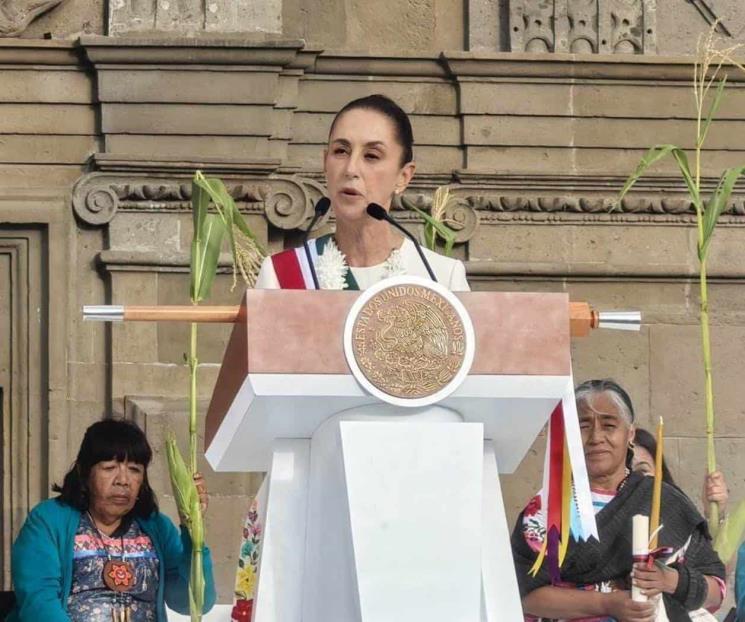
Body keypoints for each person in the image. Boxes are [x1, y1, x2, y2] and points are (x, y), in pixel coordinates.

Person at [231, 93, 470, 622]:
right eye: (340, 151)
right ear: (324, 162)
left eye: (371, 155)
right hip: (311, 488)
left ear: (403, 176)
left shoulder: (440, 279)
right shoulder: (285, 276)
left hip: (412, 497)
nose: (351, 169)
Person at [512, 378, 726, 622]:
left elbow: (716, 590)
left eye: (609, 425)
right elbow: (525, 594)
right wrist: (608, 603)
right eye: (583, 426)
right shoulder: (546, 509)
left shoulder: (666, 501)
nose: (595, 437)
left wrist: (669, 580)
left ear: (630, 434)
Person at [9, 419, 216, 622]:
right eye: (109, 468)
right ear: (84, 471)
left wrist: (192, 530)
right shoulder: (49, 520)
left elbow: (193, 603)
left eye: (135, 470)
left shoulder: (157, 527)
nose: (123, 480)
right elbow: (38, 604)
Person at [632, 427, 729, 527]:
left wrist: (714, 514)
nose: (632, 480)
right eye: (623, 472)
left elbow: (708, 541)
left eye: (641, 471)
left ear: (659, 474)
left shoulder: (678, 522)